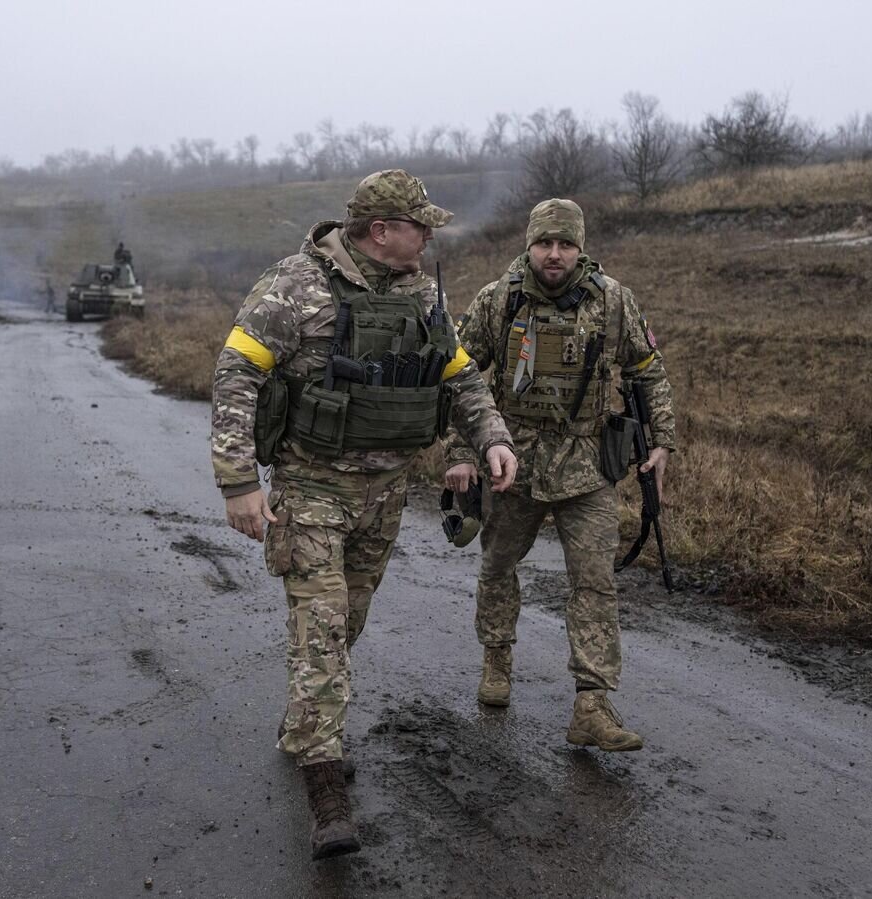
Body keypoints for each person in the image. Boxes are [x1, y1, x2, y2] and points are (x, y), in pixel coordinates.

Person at [211, 169, 517, 860]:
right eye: (420, 225)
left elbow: (459, 376)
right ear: (380, 230)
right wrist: (238, 481)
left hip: (386, 496)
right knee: (321, 631)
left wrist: (493, 438)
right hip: (312, 489)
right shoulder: (295, 285)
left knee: (345, 621)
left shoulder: (421, 294)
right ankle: (326, 791)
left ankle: (304, 725)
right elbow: (237, 373)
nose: (430, 237)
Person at [441, 199, 675, 752]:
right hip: (511, 463)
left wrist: (662, 440)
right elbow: (458, 376)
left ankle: (592, 704)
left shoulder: (613, 301)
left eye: (565, 244)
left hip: (587, 467)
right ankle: (497, 661)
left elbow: (647, 370)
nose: (554, 254)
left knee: (594, 582)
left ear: (580, 248)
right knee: (498, 567)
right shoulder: (498, 300)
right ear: (529, 245)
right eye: (544, 243)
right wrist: (461, 451)